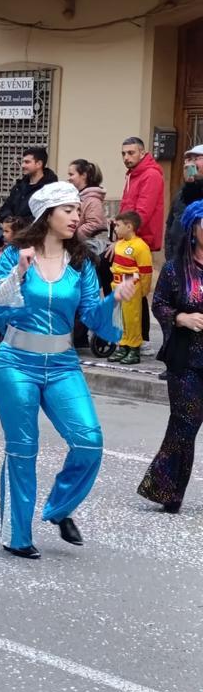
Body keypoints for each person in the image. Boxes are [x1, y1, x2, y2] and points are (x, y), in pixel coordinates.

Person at [0, 182, 136, 559]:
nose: (76, 216)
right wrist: (17, 275)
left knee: (89, 441)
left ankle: (58, 508)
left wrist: (113, 299)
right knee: (23, 450)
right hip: (16, 363)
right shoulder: (15, 256)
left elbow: (92, 318)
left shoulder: (81, 262)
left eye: (76, 209)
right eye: (68, 210)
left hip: (63, 365)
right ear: (46, 214)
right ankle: (17, 535)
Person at [138, 199, 203, 513]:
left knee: (186, 424)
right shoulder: (177, 269)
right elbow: (159, 303)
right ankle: (168, 491)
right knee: (186, 422)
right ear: (193, 229)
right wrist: (181, 318)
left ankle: (163, 485)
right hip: (186, 359)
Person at [108, 211, 153, 365]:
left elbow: (146, 271)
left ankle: (134, 348)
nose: (115, 228)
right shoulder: (119, 244)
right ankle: (123, 345)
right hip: (117, 285)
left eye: (118, 225)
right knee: (119, 318)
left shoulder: (141, 246)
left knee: (132, 319)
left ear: (129, 227)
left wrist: (143, 290)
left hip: (131, 286)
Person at [119, 136, 167, 253]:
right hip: (131, 237)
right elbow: (128, 206)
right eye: (123, 154)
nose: (126, 157)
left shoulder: (150, 175)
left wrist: (123, 234)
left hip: (140, 240)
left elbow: (143, 212)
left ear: (142, 153)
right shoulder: (133, 174)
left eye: (131, 153)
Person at [0, 146, 57, 226]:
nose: (22, 165)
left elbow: (43, 216)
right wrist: (10, 220)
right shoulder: (19, 186)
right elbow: (5, 208)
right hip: (13, 235)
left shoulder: (50, 188)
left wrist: (19, 223)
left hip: (34, 236)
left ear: (39, 164)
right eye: (23, 162)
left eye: (27, 162)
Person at [67, 159, 109, 258]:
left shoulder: (92, 200)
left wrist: (74, 235)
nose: (68, 178)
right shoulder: (80, 197)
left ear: (84, 175)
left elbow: (95, 224)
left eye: (71, 174)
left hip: (89, 249)